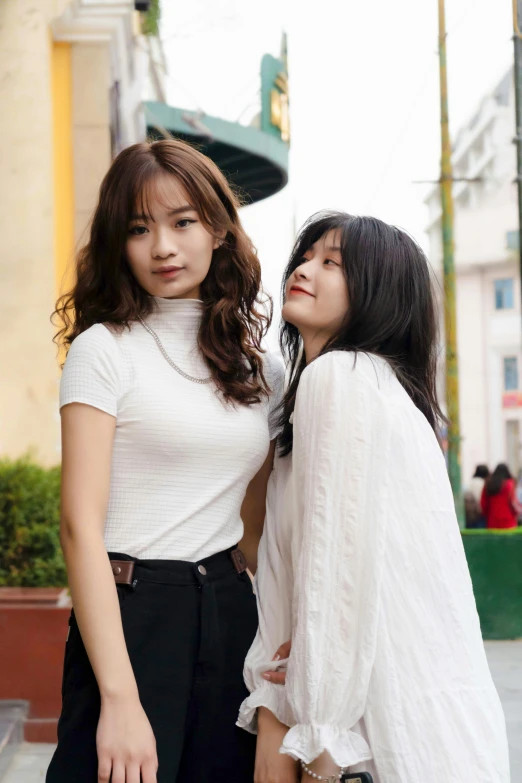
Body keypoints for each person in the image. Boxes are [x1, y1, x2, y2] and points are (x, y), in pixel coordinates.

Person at [237, 212, 509, 782]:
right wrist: (274, 703)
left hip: (375, 730)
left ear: (378, 294)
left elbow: (337, 577)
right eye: (306, 256)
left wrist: (319, 737)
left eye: (332, 262)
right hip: (418, 717)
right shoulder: (344, 391)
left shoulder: (342, 378)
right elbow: (288, 564)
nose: (305, 269)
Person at [46, 139, 284, 783]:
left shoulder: (262, 366)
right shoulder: (104, 350)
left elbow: (258, 524)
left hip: (233, 611)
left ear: (218, 229)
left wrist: (290, 634)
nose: (163, 248)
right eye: (138, 228)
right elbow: (78, 527)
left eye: (182, 222)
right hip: (132, 614)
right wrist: (120, 698)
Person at [481, 462, 521, 529]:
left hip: (492, 521)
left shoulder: (488, 484)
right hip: (508, 522)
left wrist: (487, 515)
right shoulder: (510, 484)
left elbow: (483, 504)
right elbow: (513, 503)